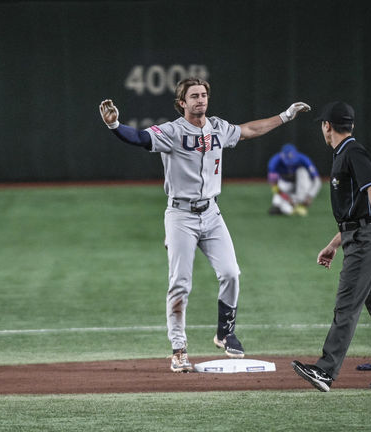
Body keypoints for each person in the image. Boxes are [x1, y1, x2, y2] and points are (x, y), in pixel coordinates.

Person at [99, 77, 311, 372]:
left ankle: (225, 334)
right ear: (182, 103)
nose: (200, 100)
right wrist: (114, 126)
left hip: (211, 213)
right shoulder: (171, 131)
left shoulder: (218, 128)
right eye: (194, 96)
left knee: (231, 273)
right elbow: (139, 138)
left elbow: (250, 130)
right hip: (180, 216)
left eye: (203, 95)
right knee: (180, 284)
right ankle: (179, 350)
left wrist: (286, 115)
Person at [291, 101, 371, 391]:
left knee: (346, 306)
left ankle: (325, 370)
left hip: (364, 242)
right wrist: (335, 243)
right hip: (356, 238)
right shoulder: (344, 153)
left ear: (327, 126)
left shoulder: (352, 152)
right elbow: (355, 210)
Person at [267, 143, 321, 216]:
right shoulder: (274, 162)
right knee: (277, 204)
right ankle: (291, 206)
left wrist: (310, 196)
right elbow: (274, 186)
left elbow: (317, 180)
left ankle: (300, 203)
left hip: (300, 184)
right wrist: (286, 198)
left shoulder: (303, 159)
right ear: (282, 155)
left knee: (302, 171)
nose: (290, 164)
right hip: (284, 183)